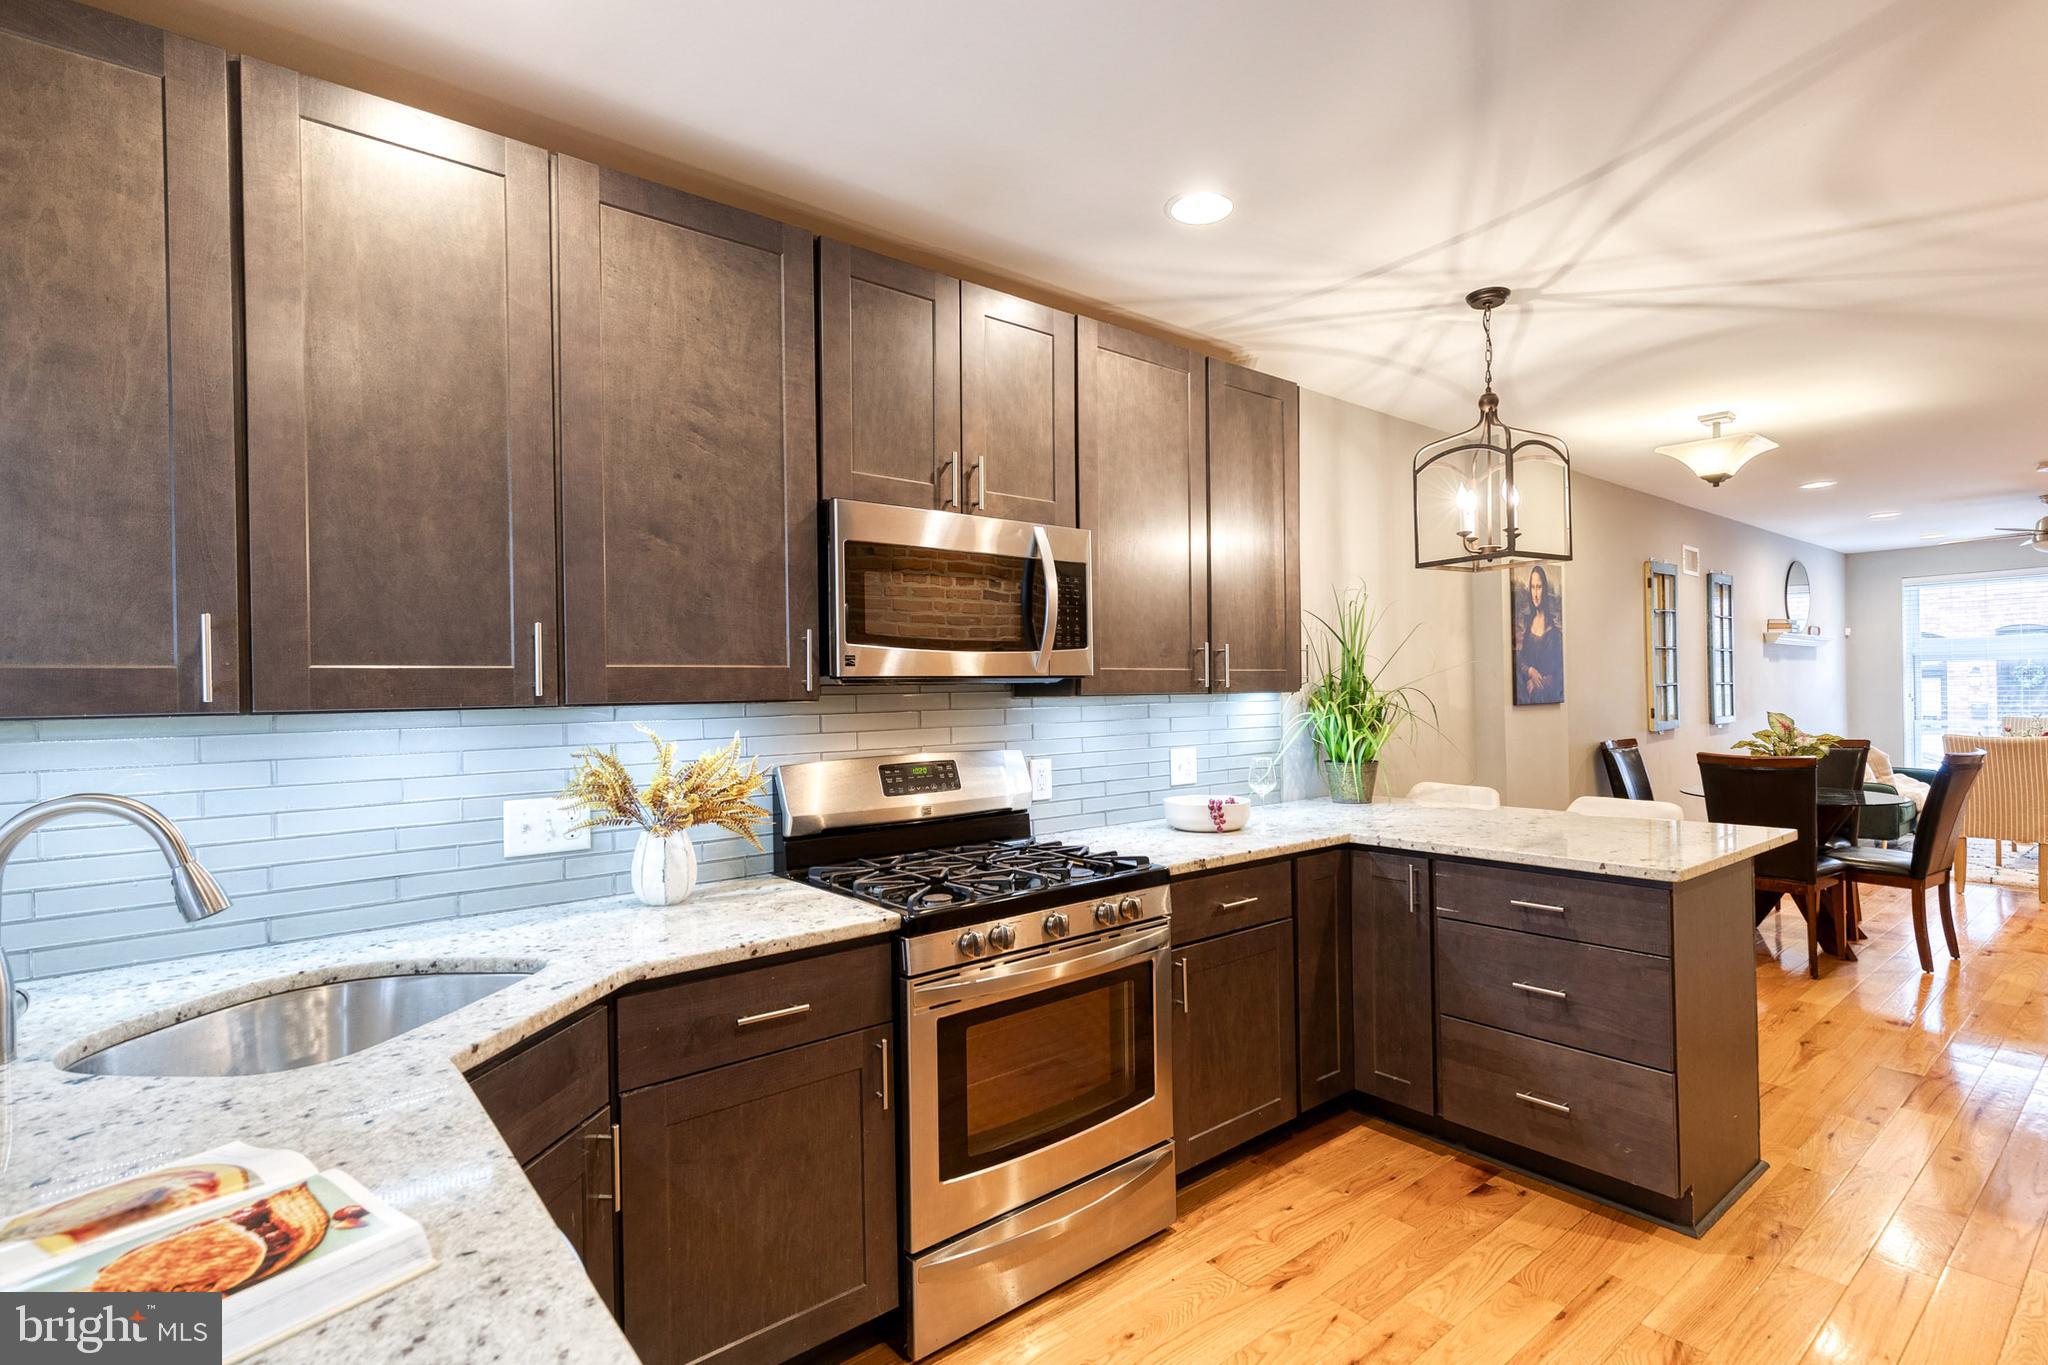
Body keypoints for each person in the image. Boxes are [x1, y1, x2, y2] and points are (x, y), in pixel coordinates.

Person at [1517, 565, 1563, 704]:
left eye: (1539, 587)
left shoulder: (1554, 633)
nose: (1535, 593)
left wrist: (1538, 683)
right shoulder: (1526, 623)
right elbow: (1519, 658)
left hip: (1545, 695)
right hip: (1524, 687)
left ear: (1545, 590)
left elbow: (1559, 672)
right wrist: (1530, 671)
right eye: (1532, 587)